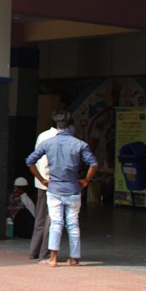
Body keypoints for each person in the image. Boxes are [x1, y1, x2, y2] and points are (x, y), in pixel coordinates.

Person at [26, 110, 98, 267]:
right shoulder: (80, 144)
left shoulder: (48, 143)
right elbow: (94, 163)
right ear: (71, 127)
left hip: (54, 189)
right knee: (73, 224)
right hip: (73, 189)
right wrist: (85, 180)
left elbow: (30, 161)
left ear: (57, 127)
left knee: (56, 223)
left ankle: (52, 258)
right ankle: (74, 258)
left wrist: (42, 180)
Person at [28, 121, 59, 260]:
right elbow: (48, 161)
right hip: (51, 182)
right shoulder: (58, 137)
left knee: (40, 217)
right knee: (51, 219)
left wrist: (41, 179)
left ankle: (33, 250)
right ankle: (45, 252)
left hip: (40, 181)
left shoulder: (43, 135)